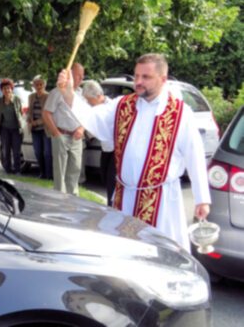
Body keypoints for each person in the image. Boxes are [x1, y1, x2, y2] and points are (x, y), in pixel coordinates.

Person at [57, 53, 210, 251]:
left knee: (160, 254)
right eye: (136, 76)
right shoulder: (122, 105)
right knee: (125, 252)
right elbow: (94, 119)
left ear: (163, 79)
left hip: (162, 202)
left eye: (145, 77)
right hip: (125, 197)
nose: (138, 82)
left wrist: (202, 199)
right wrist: (69, 93)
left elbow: (195, 155)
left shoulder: (180, 113)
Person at [42, 63, 85, 195]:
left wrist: (82, 129)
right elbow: (46, 113)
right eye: (78, 76)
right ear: (70, 75)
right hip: (61, 135)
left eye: (82, 76)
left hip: (76, 137)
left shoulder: (80, 94)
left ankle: (73, 197)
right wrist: (56, 133)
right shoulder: (57, 92)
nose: (81, 79)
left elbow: (86, 115)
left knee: (75, 168)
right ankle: (59, 198)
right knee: (60, 170)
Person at [81, 80, 115, 206]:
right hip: (106, 149)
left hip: (115, 150)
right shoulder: (97, 107)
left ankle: (112, 207)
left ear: (97, 96)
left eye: (89, 99)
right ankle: (110, 204)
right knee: (105, 177)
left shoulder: (110, 106)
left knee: (111, 181)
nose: (88, 103)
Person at [27, 75, 53, 179]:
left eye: (41, 84)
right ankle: (42, 173)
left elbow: (49, 114)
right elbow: (30, 111)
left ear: (44, 85)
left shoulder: (48, 96)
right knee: (38, 152)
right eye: (36, 84)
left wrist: (37, 122)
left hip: (46, 129)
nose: (39, 86)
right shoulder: (31, 96)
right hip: (34, 130)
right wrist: (29, 118)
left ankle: (49, 175)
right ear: (33, 85)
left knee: (47, 153)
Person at [0, 78, 24, 174]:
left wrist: (21, 125)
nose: (6, 90)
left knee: (16, 151)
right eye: (4, 89)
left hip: (16, 129)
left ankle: (17, 170)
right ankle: (8, 169)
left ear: (11, 88)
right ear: (2, 90)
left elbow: (21, 113)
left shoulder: (17, 100)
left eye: (8, 88)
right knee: (6, 150)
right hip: (4, 129)